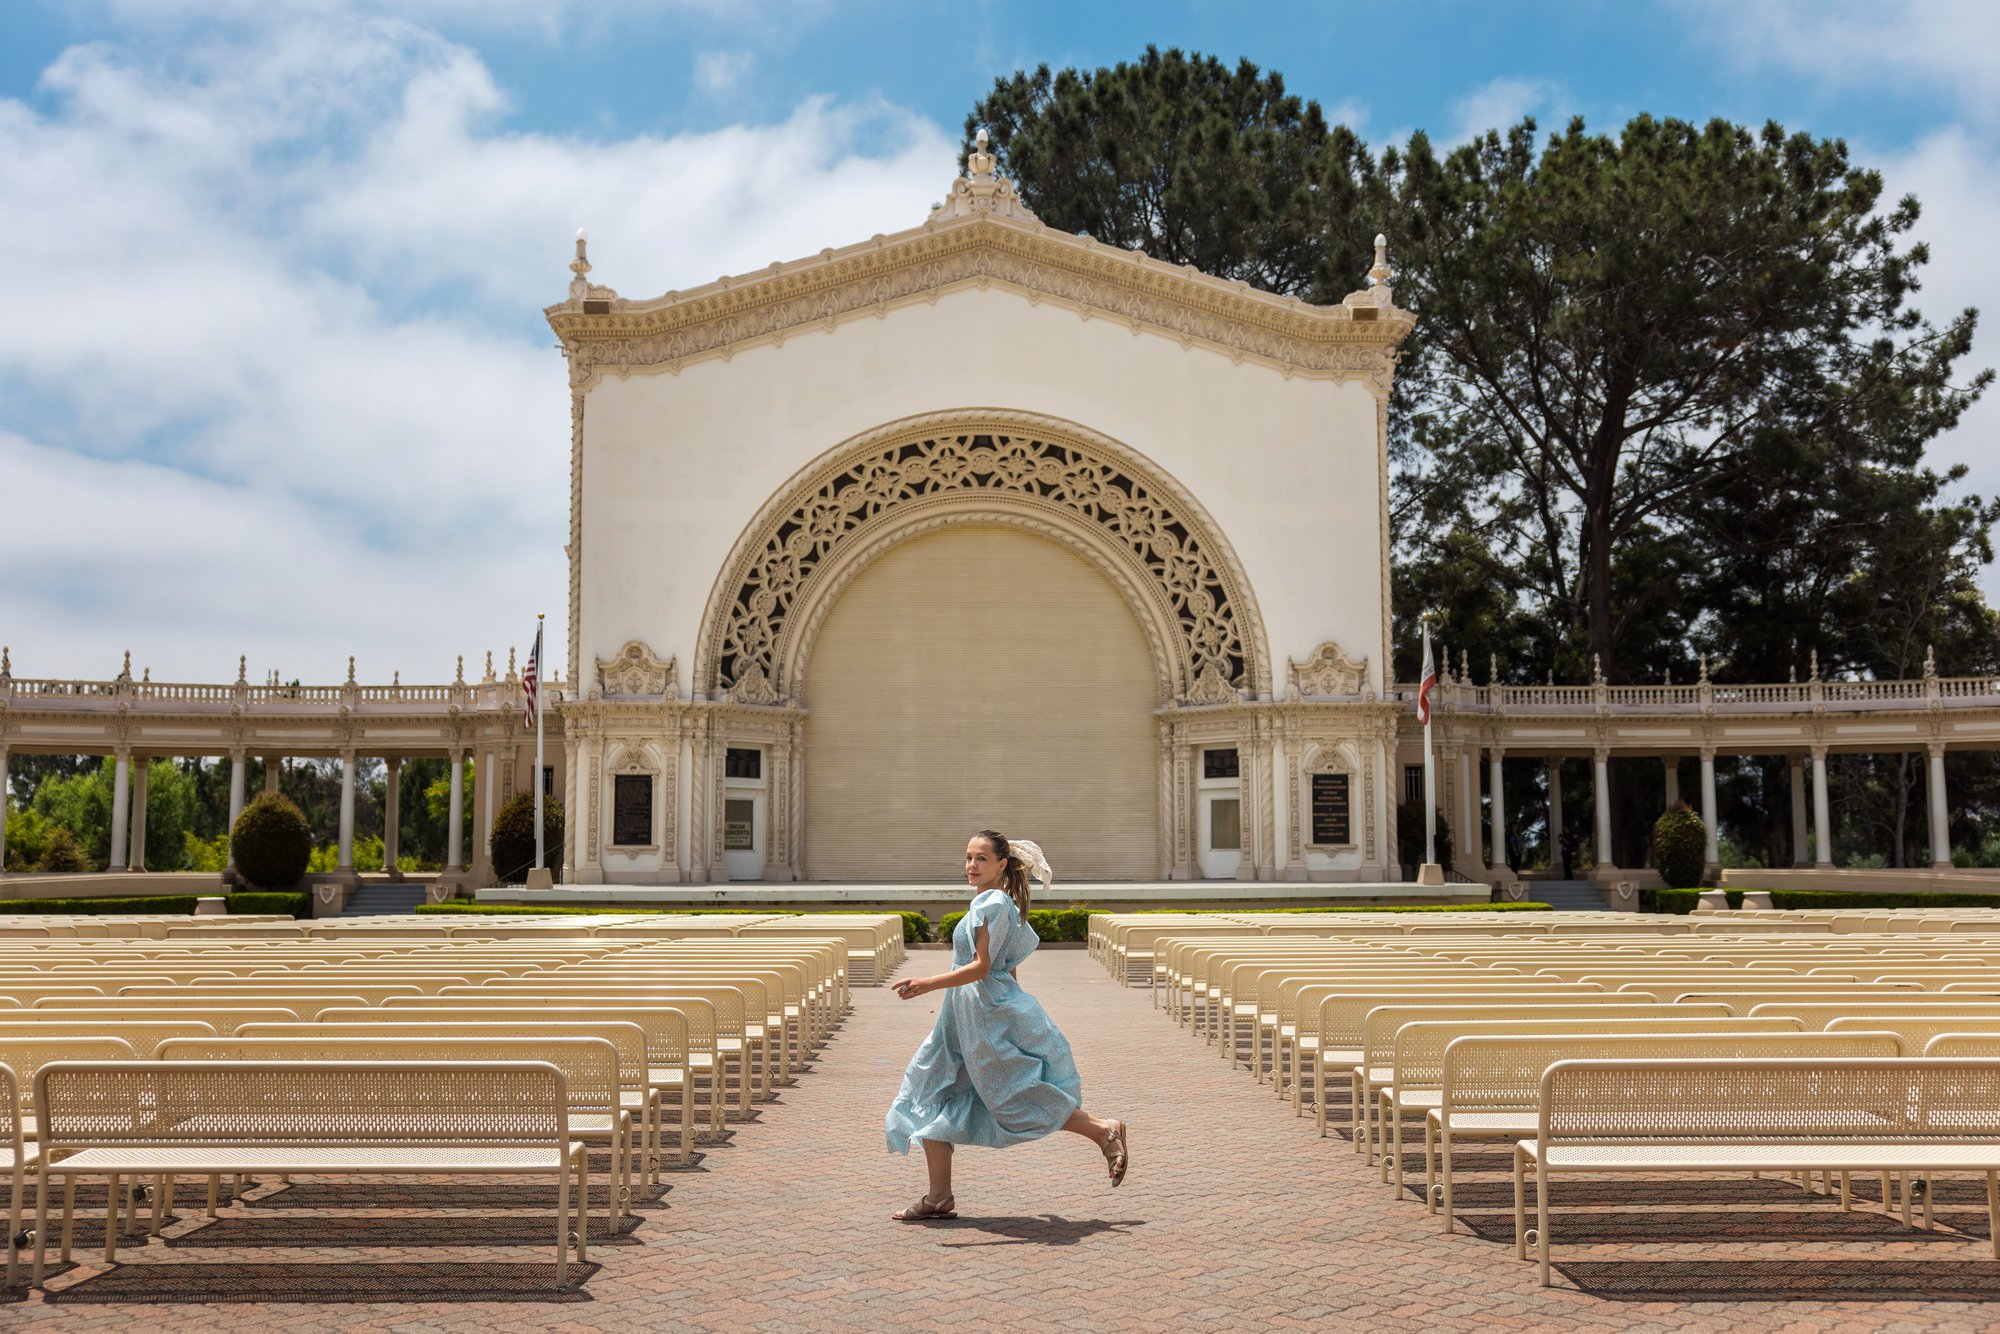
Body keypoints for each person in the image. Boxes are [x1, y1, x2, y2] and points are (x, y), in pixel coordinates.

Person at [883, 830, 1129, 1221]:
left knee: (1009, 1093)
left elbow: (982, 967)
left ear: (1001, 865)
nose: (971, 865)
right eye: (968, 857)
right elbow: (1008, 966)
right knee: (934, 1089)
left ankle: (1103, 1130)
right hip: (965, 1015)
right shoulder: (991, 901)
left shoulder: (993, 902)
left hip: (980, 1014)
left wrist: (925, 984)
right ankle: (939, 1197)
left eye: (981, 858)